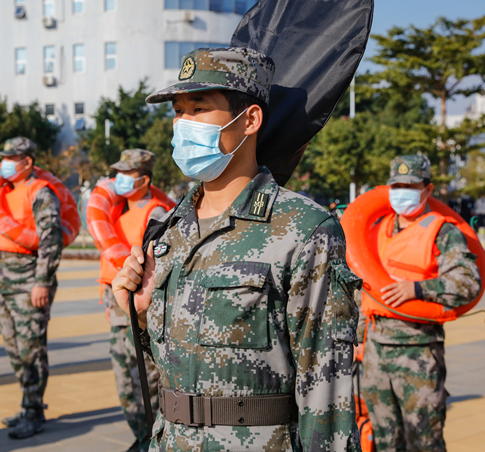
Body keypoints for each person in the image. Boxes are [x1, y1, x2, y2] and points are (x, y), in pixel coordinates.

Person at [112, 47, 362, 451]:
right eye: (178, 111)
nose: (183, 125)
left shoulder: (303, 229)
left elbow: (327, 390)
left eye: (198, 109)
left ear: (249, 120)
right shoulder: (169, 230)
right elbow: (174, 363)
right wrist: (140, 318)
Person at [356, 154, 481, 451]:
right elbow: (364, 290)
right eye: (397, 185)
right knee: (385, 440)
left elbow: (468, 283)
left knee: (424, 442)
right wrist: (357, 340)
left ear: (427, 189)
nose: (402, 191)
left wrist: (419, 289)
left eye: (410, 185)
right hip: (374, 352)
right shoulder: (375, 231)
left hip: (419, 353)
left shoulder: (443, 232)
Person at [0, 137, 64, 439]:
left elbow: (51, 241)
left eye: (11, 158)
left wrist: (42, 281)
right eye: (2, 157)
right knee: (15, 351)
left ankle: (34, 412)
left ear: (27, 161)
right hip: (3, 284)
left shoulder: (40, 193)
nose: (4, 163)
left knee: (31, 351)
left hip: (29, 283)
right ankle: (27, 404)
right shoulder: (3, 193)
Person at [91, 149, 170, 452]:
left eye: (127, 175)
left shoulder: (156, 212)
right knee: (125, 379)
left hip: (139, 307)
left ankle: (154, 440)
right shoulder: (121, 212)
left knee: (147, 379)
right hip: (118, 304)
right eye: (118, 174)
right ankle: (141, 437)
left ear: (144, 179)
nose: (119, 180)